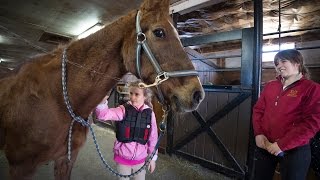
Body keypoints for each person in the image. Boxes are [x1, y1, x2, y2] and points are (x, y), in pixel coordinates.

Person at [252, 49, 320, 180]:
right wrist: (259, 134)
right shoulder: (271, 86)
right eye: (277, 63)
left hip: (295, 149)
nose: (279, 66)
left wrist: (282, 145)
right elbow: (258, 110)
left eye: (283, 61)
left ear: (297, 63)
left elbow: (312, 123)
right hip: (265, 144)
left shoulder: (312, 88)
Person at [95, 81, 158, 180]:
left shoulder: (150, 114)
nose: (132, 97)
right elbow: (103, 115)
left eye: (136, 94)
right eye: (131, 93)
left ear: (145, 96)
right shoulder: (123, 110)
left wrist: (152, 158)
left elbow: (153, 138)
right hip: (123, 158)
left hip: (140, 160)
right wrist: (101, 103)